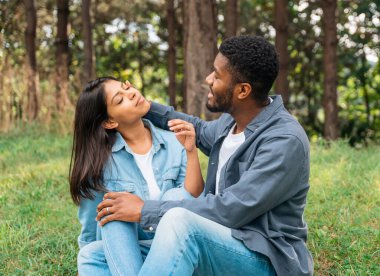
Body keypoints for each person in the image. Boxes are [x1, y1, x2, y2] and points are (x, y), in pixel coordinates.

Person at [96, 35, 314, 275]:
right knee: (94, 256)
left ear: (243, 90)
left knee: (179, 222)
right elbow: (197, 129)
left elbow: (230, 210)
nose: (208, 79)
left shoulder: (283, 141)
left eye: (217, 76)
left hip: (265, 257)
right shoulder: (231, 123)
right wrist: (148, 108)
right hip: (221, 241)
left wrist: (144, 210)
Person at [69, 76, 204, 275]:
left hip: (176, 243)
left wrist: (191, 151)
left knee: (176, 197)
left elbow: (192, 197)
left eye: (126, 88)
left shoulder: (175, 140)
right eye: (120, 99)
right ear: (109, 121)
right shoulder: (99, 163)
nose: (131, 93)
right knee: (105, 226)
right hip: (130, 248)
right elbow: (90, 226)